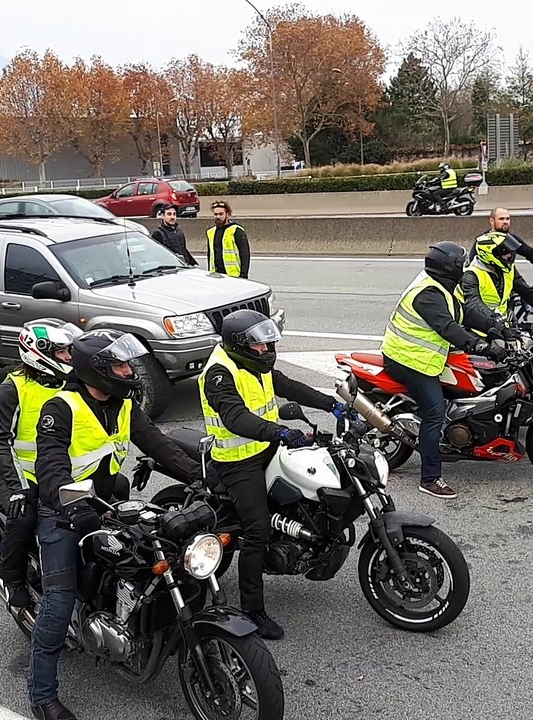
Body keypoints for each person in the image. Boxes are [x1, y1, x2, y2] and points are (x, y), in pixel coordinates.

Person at [29, 328, 199, 720]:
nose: (128, 371)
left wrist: (203, 477)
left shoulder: (123, 404)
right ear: (96, 371)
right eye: (120, 366)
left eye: (127, 364)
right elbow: (50, 467)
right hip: (62, 511)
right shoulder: (61, 407)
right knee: (58, 601)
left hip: (108, 504)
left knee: (161, 555)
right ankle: (42, 696)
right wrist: (71, 506)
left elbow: (159, 445)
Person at [198, 308, 349, 640]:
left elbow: (288, 385)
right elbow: (236, 418)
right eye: (260, 346)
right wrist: (279, 432)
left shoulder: (255, 364)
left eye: (268, 345)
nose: (266, 351)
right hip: (236, 462)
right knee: (257, 531)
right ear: (239, 345)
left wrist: (331, 403)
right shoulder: (219, 374)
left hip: (265, 449)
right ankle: (253, 610)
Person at [381, 242, 505, 499]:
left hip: (427, 358)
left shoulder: (444, 286)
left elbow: (464, 314)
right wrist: (481, 345)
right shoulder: (427, 294)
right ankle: (430, 478)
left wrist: (497, 328)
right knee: (434, 413)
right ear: (450, 269)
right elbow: (448, 327)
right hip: (408, 360)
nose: (465, 267)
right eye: (461, 264)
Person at [0, 318, 82, 610]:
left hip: (56, 473)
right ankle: (12, 579)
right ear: (39, 353)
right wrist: (18, 487)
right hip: (19, 474)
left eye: (68, 352)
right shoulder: (13, 390)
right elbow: (0, 442)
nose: (68, 357)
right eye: (61, 352)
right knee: (23, 516)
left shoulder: (69, 382)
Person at [459, 231, 533, 336]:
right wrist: (494, 319)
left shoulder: (508, 269)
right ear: (489, 254)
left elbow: (526, 292)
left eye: (511, 252)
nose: (510, 255)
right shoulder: (471, 275)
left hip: (504, 327)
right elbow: (473, 303)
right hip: (478, 330)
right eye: (505, 252)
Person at [468, 208, 533, 282]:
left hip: (511, 280)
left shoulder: (511, 239)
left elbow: (530, 253)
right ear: (492, 220)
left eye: (507, 219)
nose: (505, 222)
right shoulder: (482, 241)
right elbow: (472, 264)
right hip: (490, 283)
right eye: (501, 219)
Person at [207, 200, 249, 278]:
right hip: (216, 275)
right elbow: (210, 255)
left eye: (221, 214)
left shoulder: (236, 230)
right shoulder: (211, 232)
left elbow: (245, 255)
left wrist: (243, 276)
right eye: (215, 214)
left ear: (227, 215)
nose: (218, 217)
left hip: (234, 275)